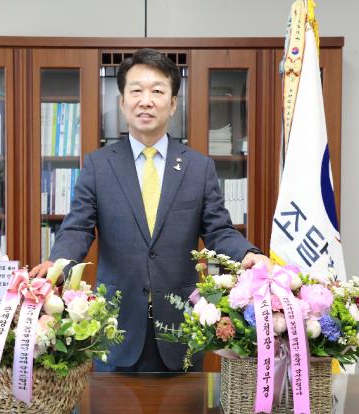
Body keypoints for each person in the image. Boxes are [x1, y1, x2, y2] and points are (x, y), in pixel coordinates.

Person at [29, 48, 269, 372]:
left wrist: (247, 254)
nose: (146, 101)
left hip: (181, 326)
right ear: (122, 102)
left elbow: (218, 230)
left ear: (173, 104)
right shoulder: (99, 165)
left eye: (157, 91)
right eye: (136, 91)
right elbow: (77, 228)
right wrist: (56, 263)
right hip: (114, 326)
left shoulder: (198, 168)